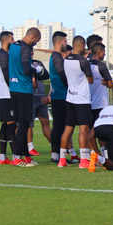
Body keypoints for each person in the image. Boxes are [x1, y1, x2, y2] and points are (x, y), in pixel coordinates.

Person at [8, 27, 43, 167]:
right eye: (36, 41)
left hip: (14, 89)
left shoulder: (13, 46)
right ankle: (17, 157)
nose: (35, 44)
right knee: (23, 124)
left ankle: (26, 156)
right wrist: (37, 70)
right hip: (24, 89)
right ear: (33, 37)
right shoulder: (25, 49)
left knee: (22, 123)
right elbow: (26, 69)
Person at [59, 35, 94, 168]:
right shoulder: (83, 61)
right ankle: (84, 161)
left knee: (68, 129)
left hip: (70, 97)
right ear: (81, 45)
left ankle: (62, 160)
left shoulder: (66, 59)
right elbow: (90, 80)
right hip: (82, 99)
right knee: (84, 129)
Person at [48, 31, 73, 163]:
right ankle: (57, 155)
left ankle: (56, 154)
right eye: (65, 41)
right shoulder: (56, 57)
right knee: (60, 126)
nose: (66, 44)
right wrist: (71, 86)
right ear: (59, 42)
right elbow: (62, 74)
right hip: (60, 96)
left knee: (59, 126)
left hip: (59, 96)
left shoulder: (55, 57)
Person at [0, 31, 16, 164]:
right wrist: (14, 90)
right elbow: (7, 76)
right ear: (6, 40)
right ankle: (15, 157)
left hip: (2, 94)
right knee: (12, 125)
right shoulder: (3, 56)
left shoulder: (2, 55)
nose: (13, 42)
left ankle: (2, 157)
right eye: (12, 39)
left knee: (5, 125)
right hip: (6, 95)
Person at [27, 54, 51, 156]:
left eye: (31, 51)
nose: (31, 53)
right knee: (29, 124)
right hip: (30, 96)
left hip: (41, 96)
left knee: (45, 121)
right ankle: (30, 147)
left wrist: (36, 72)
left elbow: (45, 75)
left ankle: (53, 145)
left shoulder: (38, 62)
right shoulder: (23, 63)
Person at [89, 42, 113, 123]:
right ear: (99, 51)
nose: (104, 54)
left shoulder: (86, 64)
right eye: (104, 52)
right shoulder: (101, 66)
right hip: (100, 104)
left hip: (88, 103)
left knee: (89, 130)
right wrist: (106, 83)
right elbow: (110, 84)